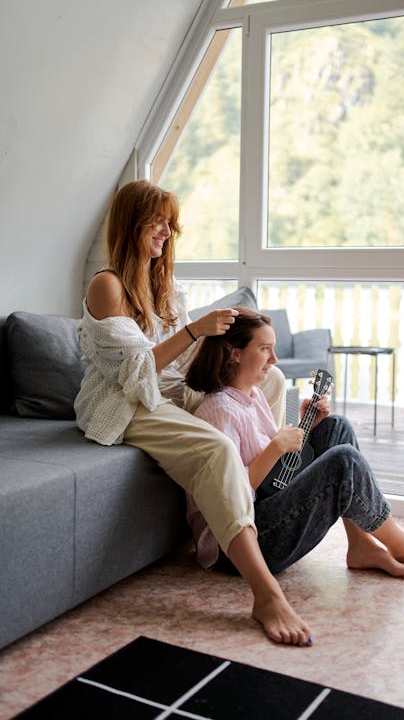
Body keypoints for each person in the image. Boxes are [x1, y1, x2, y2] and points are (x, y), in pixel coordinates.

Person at [74, 179, 312, 648]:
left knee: (272, 380)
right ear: (131, 223)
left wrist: (225, 341)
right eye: (157, 221)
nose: (166, 231)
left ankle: (258, 491)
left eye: (170, 222)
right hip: (124, 403)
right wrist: (193, 330)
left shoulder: (162, 285)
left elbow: (182, 365)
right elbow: (135, 372)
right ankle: (265, 592)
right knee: (215, 448)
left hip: (170, 392)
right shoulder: (107, 286)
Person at [185, 307, 404, 596]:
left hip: (265, 508)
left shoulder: (251, 397)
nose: (275, 360)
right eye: (265, 349)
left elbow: (274, 473)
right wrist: (278, 444)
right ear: (234, 353)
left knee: (335, 427)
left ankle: (361, 544)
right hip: (240, 545)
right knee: (344, 461)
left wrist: (306, 428)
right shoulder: (217, 411)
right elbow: (228, 500)